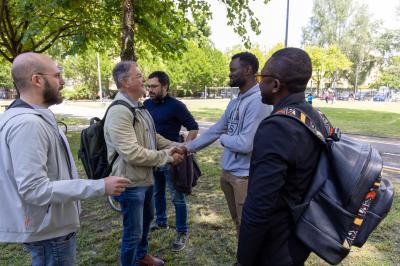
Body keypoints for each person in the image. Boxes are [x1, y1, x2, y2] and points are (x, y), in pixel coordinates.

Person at [0, 52, 131, 266]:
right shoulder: (28, 124)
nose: (62, 82)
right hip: (49, 231)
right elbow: (33, 189)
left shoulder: (34, 116)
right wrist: (99, 186)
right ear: (37, 79)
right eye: (57, 75)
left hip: (50, 225)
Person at [237, 48, 327, 266]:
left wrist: (243, 259)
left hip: (275, 245)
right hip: (300, 235)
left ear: (275, 85)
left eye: (261, 77)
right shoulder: (315, 117)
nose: (258, 83)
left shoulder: (276, 128)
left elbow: (259, 205)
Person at [104, 61, 185, 266]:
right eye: (139, 76)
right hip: (130, 182)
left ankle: (142, 256)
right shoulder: (119, 111)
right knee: (133, 232)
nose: (144, 80)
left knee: (146, 222)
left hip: (144, 178)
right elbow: (132, 153)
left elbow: (153, 137)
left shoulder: (139, 107)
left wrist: (178, 146)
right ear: (124, 82)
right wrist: (167, 156)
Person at [185, 52, 272, 237]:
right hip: (228, 172)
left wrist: (224, 139)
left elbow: (246, 144)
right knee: (238, 223)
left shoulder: (258, 101)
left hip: (245, 177)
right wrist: (186, 148)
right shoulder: (236, 100)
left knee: (249, 228)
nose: (230, 74)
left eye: (233, 70)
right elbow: (217, 129)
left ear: (248, 70)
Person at [144, 71, 199, 251]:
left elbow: (193, 127)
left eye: (154, 86)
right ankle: (161, 222)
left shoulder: (176, 106)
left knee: (177, 197)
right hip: (153, 157)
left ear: (165, 87)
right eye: (148, 86)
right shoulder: (145, 105)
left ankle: (182, 231)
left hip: (172, 158)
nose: (149, 89)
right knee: (156, 193)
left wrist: (187, 149)